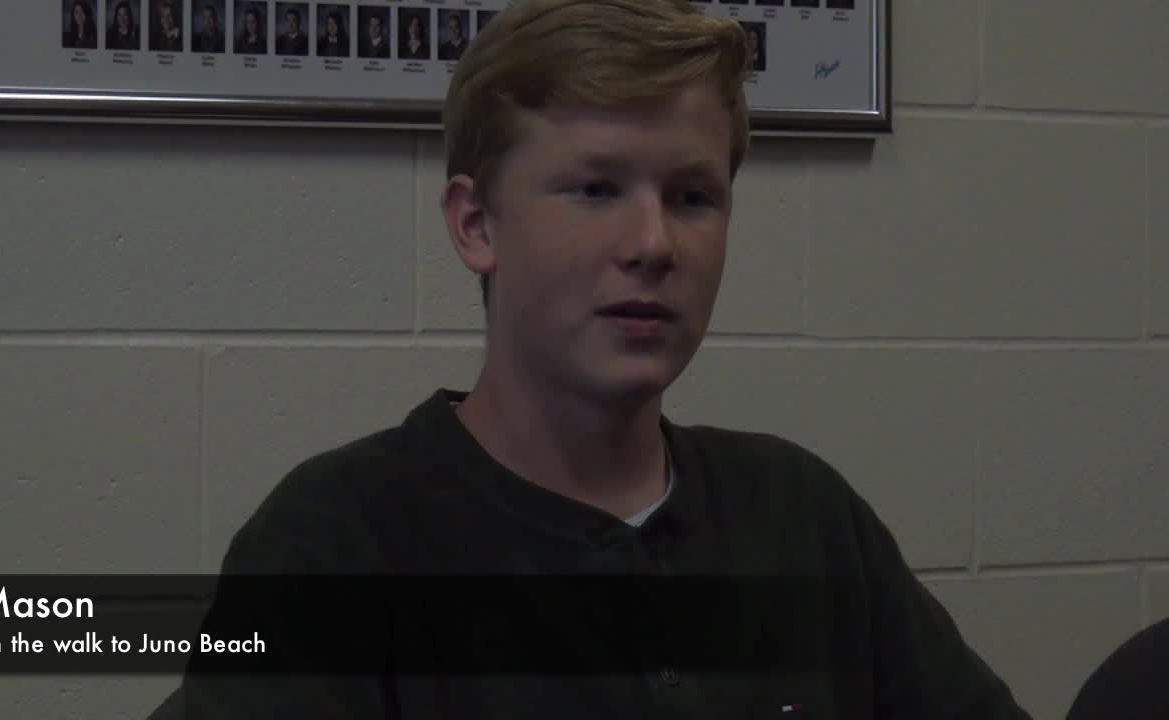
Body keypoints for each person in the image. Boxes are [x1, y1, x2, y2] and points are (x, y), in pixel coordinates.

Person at [152, 1, 1034, 718]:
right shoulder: (337, 542)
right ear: (476, 224)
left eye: (692, 197)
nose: (653, 244)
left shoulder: (804, 519)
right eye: (596, 189)